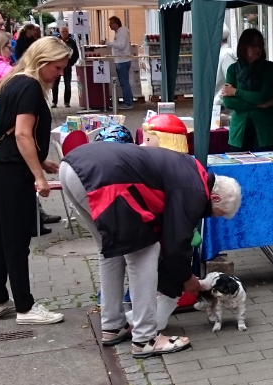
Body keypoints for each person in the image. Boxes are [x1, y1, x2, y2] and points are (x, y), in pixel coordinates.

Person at [59, 142, 242, 357]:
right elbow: (176, 242)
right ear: (215, 197)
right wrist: (186, 279)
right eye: (214, 213)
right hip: (105, 177)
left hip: (73, 167)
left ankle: (112, 325)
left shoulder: (191, 171)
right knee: (144, 252)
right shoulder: (195, 190)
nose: (207, 216)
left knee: (110, 252)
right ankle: (145, 337)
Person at [0, 37, 71, 324]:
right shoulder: (30, 87)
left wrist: (40, 159)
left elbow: (12, 132)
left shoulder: (11, 79)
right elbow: (22, 133)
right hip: (13, 172)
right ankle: (25, 306)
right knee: (17, 239)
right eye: (57, 68)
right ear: (43, 62)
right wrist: (38, 175)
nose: (60, 74)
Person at [222, 28, 273, 152]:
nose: (258, 49)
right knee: (237, 168)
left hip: (266, 130)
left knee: (265, 168)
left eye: (260, 45)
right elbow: (228, 102)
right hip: (239, 131)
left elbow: (262, 96)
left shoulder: (269, 68)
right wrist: (258, 104)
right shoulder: (233, 69)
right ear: (244, 47)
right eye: (253, 45)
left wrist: (236, 92)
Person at [106, 16, 134, 110]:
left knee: (124, 82)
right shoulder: (121, 32)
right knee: (124, 82)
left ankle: (128, 102)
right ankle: (128, 101)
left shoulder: (121, 33)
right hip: (121, 59)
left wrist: (109, 43)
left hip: (122, 60)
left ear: (115, 24)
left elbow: (121, 46)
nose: (110, 25)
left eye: (111, 23)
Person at [52, 26, 80, 108]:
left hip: (67, 67)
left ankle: (67, 102)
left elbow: (76, 55)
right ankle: (54, 102)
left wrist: (71, 63)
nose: (65, 33)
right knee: (55, 85)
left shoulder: (72, 42)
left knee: (68, 85)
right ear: (60, 32)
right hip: (56, 66)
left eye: (66, 31)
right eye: (63, 31)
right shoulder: (56, 41)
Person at [214, 24, 237, 106]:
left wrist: (216, 100)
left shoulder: (227, 54)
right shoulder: (220, 53)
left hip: (222, 107)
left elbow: (231, 82)